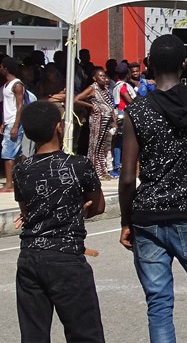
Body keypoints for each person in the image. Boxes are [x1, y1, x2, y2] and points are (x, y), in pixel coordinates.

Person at [118, 34, 187, 343]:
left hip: (147, 217)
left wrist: (125, 220)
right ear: (184, 64)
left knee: (159, 304)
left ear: (148, 65)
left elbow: (126, 176)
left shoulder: (138, 111)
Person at [14, 100, 106, 343]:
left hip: (30, 255)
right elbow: (98, 206)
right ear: (59, 127)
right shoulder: (80, 165)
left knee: (33, 334)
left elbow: (27, 211)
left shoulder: (21, 170)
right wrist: (79, 209)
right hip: (66, 257)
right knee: (85, 333)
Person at [74, 67, 117, 181]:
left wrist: (114, 122)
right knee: (94, 145)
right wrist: (91, 106)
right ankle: (93, 170)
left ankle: (102, 171)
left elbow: (111, 107)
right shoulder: (92, 88)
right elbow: (77, 99)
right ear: (95, 78)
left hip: (106, 119)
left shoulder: (106, 89)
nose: (104, 78)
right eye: (101, 76)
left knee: (102, 146)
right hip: (97, 119)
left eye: (104, 76)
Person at [1, 55, 29, 191]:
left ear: (6, 68)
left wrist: (16, 126)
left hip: (14, 122)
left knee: (7, 154)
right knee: (16, 153)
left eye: (1, 66)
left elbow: (20, 106)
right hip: (8, 121)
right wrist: (3, 123)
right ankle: (24, 176)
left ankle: (9, 184)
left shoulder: (17, 85)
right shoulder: (6, 85)